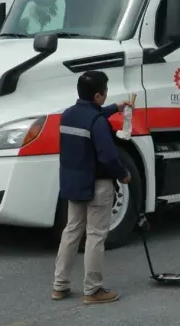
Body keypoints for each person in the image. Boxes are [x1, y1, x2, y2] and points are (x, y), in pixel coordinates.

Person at [52, 70, 132, 305]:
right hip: (98, 185)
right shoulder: (98, 122)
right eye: (105, 92)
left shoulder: (68, 116)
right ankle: (93, 290)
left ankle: (60, 286)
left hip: (74, 183)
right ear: (98, 96)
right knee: (96, 236)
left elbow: (90, 115)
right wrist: (124, 174)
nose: (106, 96)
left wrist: (115, 107)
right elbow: (108, 156)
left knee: (71, 231)